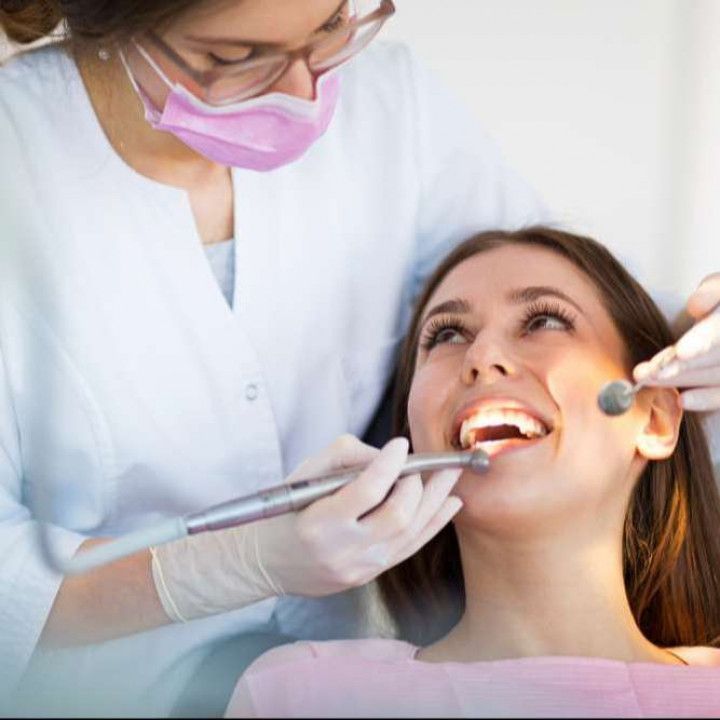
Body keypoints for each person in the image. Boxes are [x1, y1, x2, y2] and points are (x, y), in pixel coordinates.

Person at [0, 0, 549, 715]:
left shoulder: (393, 109)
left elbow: (561, 305)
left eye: (328, 31)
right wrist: (221, 569)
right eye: (232, 58)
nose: (302, 96)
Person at [226, 227, 720, 718]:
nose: (481, 358)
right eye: (446, 335)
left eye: (544, 321)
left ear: (654, 419)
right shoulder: (300, 696)